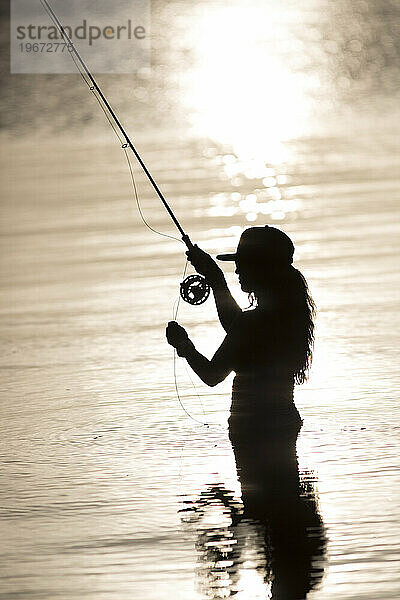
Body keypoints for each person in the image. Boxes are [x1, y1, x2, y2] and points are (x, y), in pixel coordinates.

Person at [166, 225, 315, 437]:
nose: (236, 270)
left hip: (252, 431)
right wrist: (215, 278)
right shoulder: (286, 316)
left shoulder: (253, 323)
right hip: (284, 423)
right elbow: (238, 329)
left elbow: (212, 375)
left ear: (261, 268)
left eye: (242, 264)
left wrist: (184, 345)